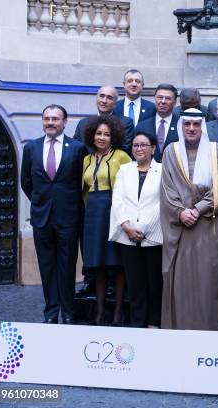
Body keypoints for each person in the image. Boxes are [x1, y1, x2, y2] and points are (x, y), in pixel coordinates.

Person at [160, 108, 218, 330]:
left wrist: (197, 210)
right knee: (181, 281)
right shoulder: (171, 151)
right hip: (180, 226)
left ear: (203, 127)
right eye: (187, 124)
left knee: (208, 278)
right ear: (181, 126)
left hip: (208, 224)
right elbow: (166, 188)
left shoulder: (215, 150)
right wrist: (181, 212)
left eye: (196, 124)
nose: (191, 128)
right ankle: (180, 325)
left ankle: (208, 326)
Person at [20, 104, 86, 324]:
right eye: (47, 118)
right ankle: (50, 313)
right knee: (47, 268)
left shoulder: (77, 148)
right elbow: (26, 182)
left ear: (64, 122)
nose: (50, 122)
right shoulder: (31, 148)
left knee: (67, 267)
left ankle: (68, 313)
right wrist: (42, 203)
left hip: (68, 218)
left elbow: (81, 183)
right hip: (42, 218)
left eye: (55, 119)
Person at [81, 115, 132, 325]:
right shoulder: (87, 159)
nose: (102, 137)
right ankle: (100, 313)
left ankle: (118, 312)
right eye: (98, 133)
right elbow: (83, 189)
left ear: (114, 137)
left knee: (116, 263)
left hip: (113, 210)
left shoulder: (121, 156)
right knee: (98, 264)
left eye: (106, 134)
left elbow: (130, 185)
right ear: (92, 136)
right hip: (92, 213)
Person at [109, 131, 163, 328]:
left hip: (153, 235)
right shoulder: (124, 170)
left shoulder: (163, 170)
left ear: (153, 148)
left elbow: (162, 202)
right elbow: (117, 200)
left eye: (143, 145)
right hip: (127, 235)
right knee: (135, 282)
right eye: (135, 145)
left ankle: (154, 322)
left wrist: (142, 227)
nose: (139, 148)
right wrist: (126, 226)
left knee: (154, 281)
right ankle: (138, 323)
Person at [74, 85, 134, 153]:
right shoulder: (83, 123)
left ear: (115, 103)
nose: (104, 101)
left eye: (109, 98)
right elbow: (76, 149)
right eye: (102, 96)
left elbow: (124, 150)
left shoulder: (125, 123)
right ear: (97, 99)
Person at [134, 83, 179, 162]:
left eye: (168, 98)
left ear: (175, 102)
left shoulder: (181, 125)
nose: (163, 101)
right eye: (160, 97)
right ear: (155, 99)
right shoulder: (142, 126)